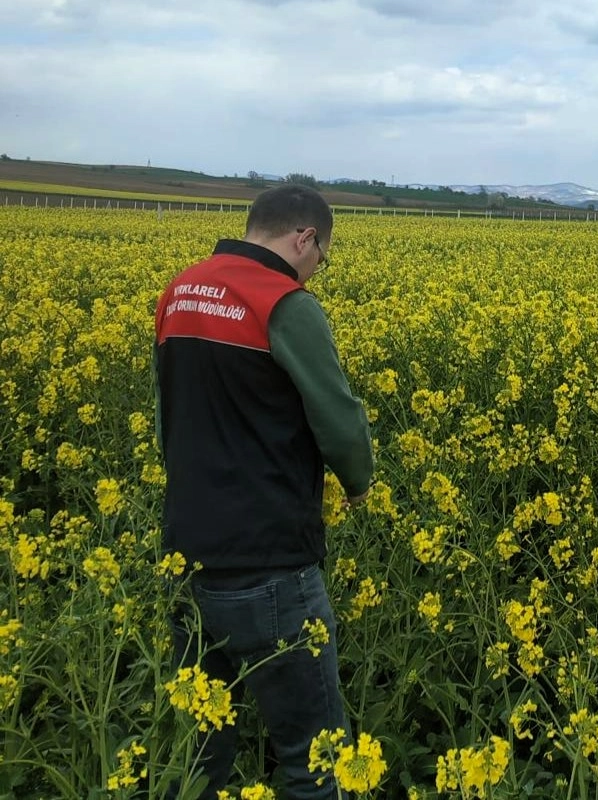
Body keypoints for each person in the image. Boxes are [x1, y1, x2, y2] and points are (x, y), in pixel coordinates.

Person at [154, 184, 374, 799]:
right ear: (305, 238)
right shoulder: (284, 303)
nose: (316, 271)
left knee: (198, 754)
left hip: (186, 556)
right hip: (269, 564)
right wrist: (358, 484)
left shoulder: (180, 291)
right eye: (321, 257)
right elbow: (339, 420)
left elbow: (168, 416)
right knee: (315, 759)